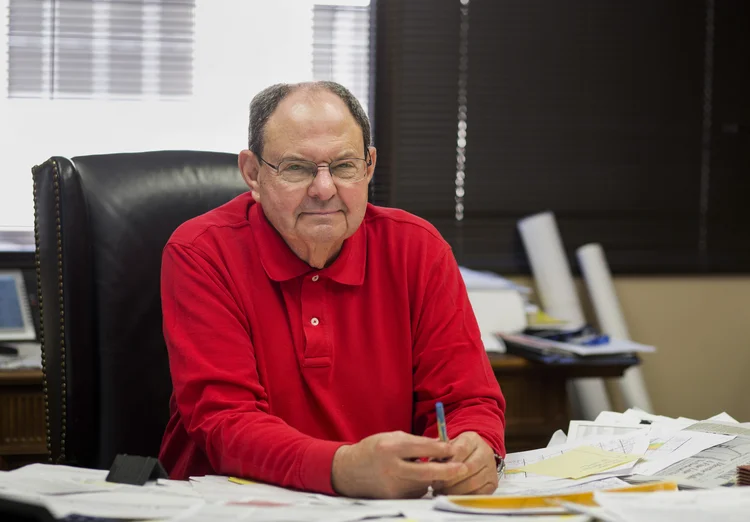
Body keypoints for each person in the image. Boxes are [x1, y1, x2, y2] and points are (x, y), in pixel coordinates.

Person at [159, 81, 506, 499]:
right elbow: (225, 422)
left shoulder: (418, 249)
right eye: (297, 168)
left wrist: (476, 448)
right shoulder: (201, 251)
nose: (324, 190)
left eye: (343, 166)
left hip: (387, 509)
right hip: (233, 506)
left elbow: (467, 401)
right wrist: (341, 469)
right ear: (252, 173)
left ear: (369, 166)